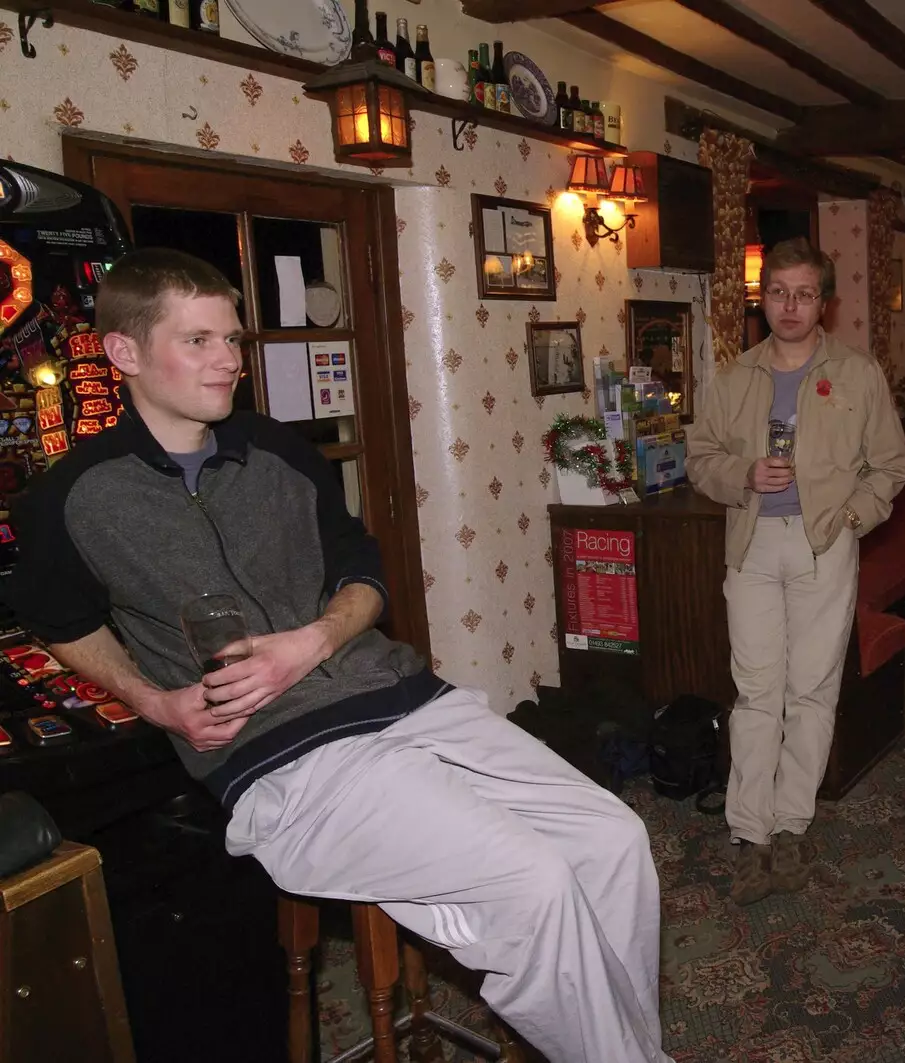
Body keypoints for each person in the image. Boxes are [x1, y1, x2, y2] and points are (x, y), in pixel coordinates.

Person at [3, 249, 671, 1063]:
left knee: (612, 838)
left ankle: (625, 1049)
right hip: (282, 752)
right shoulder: (75, 494)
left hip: (401, 698)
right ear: (125, 353)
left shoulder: (279, 451)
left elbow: (365, 571)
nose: (229, 361)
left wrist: (312, 639)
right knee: (534, 885)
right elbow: (51, 618)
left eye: (234, 340)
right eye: (201, 340)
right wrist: (154, 701)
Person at [686, 237, 905, 905]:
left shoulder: (859, 375)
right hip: (752, 544)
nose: (789, 305)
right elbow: (700, 458)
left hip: (823, 545)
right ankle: (749, 832)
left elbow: (892, 465)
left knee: (812, 690)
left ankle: (792, 825)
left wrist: (853, 517)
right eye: (778, 291)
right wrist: (743, 473)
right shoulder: (732, 378)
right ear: (762, 297)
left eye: (804, 293)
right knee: (757, 691)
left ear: (824, 302)